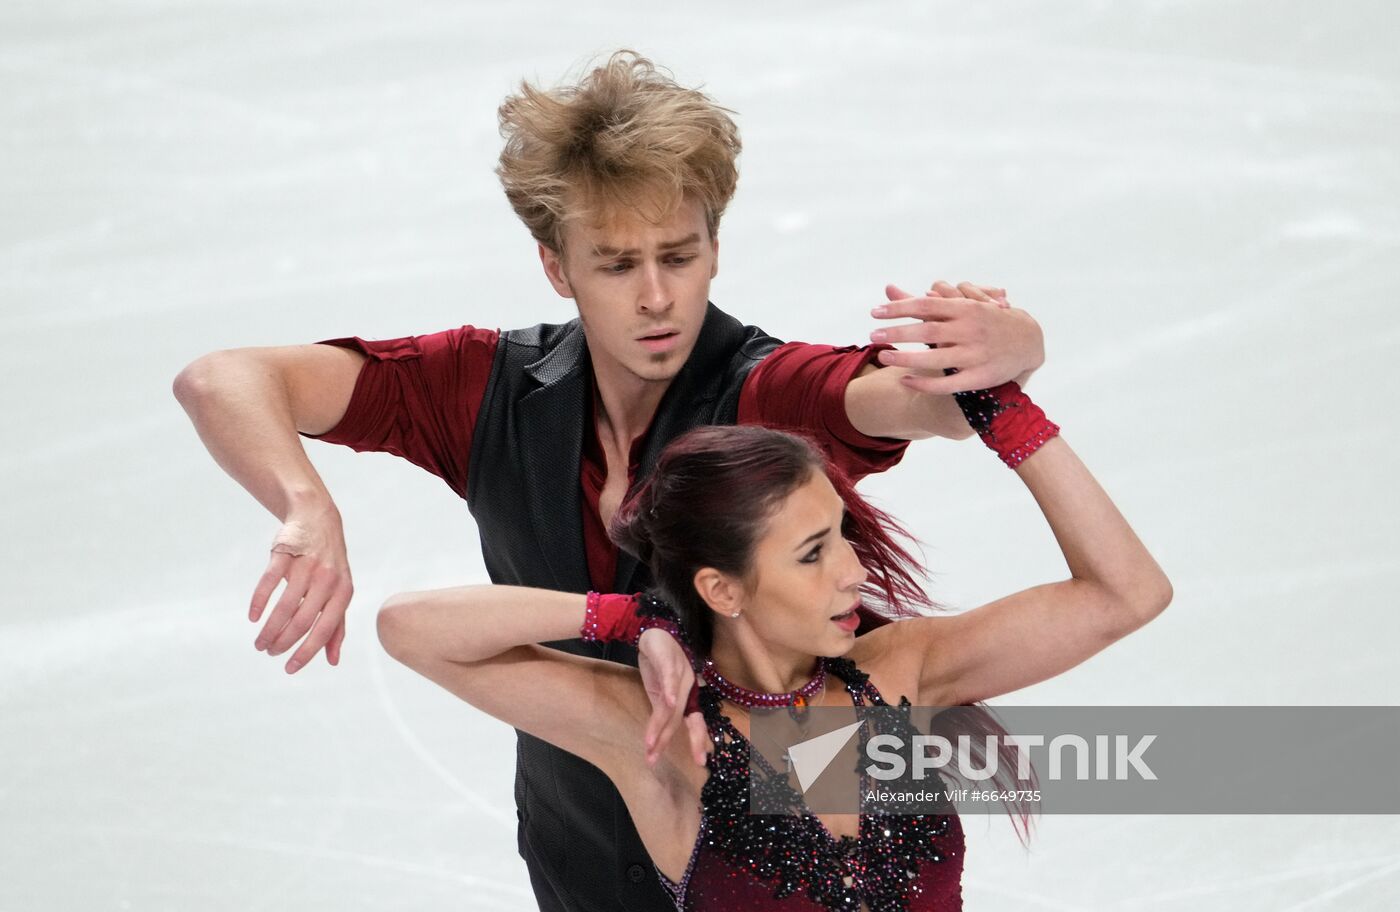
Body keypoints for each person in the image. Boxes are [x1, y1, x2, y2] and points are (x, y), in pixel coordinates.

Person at [172, 50, 1046, 910]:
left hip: (771, 856)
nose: (657, 297)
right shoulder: (485, 389)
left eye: (679, 255)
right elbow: (224, 378)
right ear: (558, 266)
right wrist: (304, 503)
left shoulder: (768, 391)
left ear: (714, 247)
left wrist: (1009, 354)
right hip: (576, 852)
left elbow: (913, 400)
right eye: (619, 265)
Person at [375, 386, 1172, 911]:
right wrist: (627, 618)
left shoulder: (903, 672)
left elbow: (1126, 593)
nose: (853, 572)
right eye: (812, 553)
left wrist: (998, 406)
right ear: (724, 590)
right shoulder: (659, 736)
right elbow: (409, 628)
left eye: (842, 538)